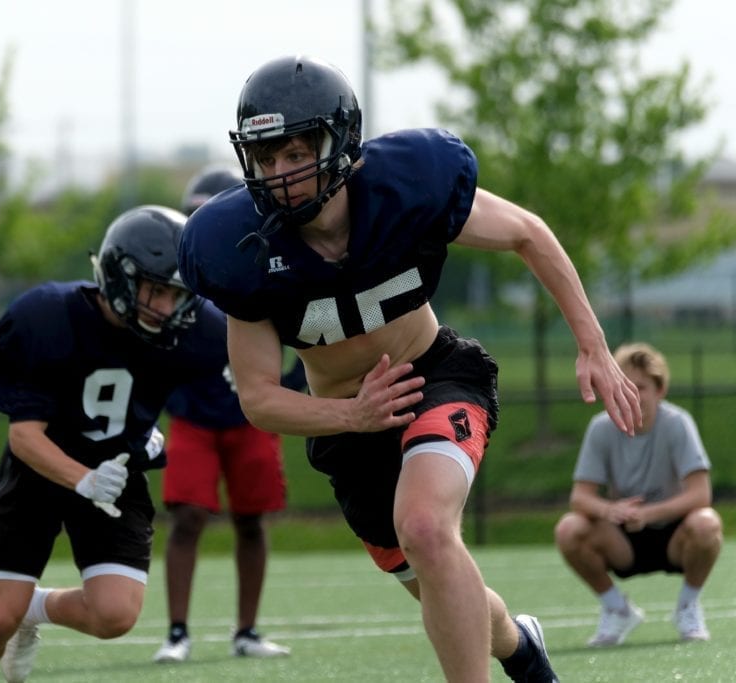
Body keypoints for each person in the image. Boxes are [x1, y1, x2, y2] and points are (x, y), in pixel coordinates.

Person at [177, 55, 643, 683]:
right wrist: (352, 414)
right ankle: (520, 646)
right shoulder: (242, 249)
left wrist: (593, 344)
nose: (281, 174)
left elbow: (527, 233)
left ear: (338, 141)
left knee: (424, 526)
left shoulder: (406, 188)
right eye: (266, 159)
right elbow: (258, 398)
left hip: (433, 376)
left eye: (295, 152)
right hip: (346, 428)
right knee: (443, 583)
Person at [0, 205, 229, 683]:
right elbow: (23, 436)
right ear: (120, 276)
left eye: (176, 295)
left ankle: (34, 612)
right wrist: (84, 480)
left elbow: (252, 359)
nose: (166, 308)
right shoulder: (47, 318)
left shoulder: (195, 331)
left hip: (119, 467)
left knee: (115, 615)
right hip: (40, 471)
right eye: (157, 291)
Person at [153, 165, 306, 663]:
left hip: (252, 418)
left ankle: (247, 630)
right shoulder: (183, 286)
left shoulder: (267, 270)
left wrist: (295, 388)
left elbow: (309, 334)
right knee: (187, 517)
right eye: (194, 216)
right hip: (195, 415)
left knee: (250, 519)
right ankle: (177, 631)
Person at [554, 342, 722, 647]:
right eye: (625, 385)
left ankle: (688, 607)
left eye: (642, 386)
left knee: (706, 523)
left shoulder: (677, 423)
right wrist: (610, 510)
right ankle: (617, 609)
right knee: (569, 529)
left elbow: (701, 495)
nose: (633, 394)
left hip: (675, 537)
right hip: (622, 539)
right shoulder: (601, 428)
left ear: (660, 389)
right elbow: (580, 498)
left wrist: (648, 514)